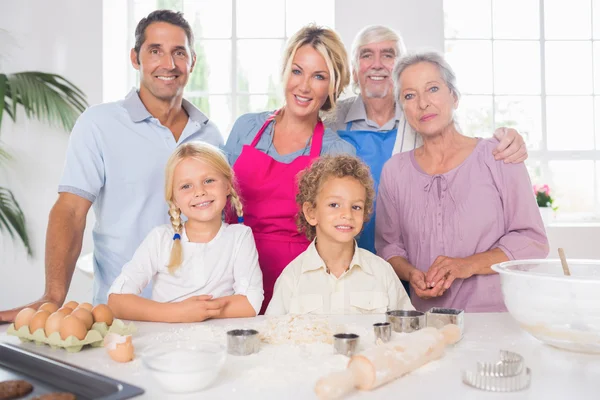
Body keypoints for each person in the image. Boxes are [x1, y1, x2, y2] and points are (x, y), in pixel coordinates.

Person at [0, 10, 223, 322]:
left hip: (196, 310)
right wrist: (53, 295)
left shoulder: (210, 135)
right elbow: (71, 211)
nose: (168, 64)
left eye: (179, 52)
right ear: (136, 58)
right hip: (122, 312)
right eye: (155, 51)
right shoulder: (99, 124)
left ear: (192, 61)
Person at [325, 25, 528, 255]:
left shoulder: (426, 117)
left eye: (388, 55)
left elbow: (462, 151)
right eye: (366, 55)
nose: (377, 64)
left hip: (414, 256)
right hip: (347, 248)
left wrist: (507, 138)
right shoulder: (332, 120)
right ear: (353, 70)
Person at [375, 51, 549, 313]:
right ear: (404, 109)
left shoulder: (499, 155)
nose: (423, 103)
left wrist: (465, 265)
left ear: (454, 97)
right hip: (427, 321)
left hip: (496, 317)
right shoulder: (394, 171)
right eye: (410, 95)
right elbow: (389, 247)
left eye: (432, 89)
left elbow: (532, 241)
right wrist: (411, 274)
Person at [224, 25, 356, 314]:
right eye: (297, 71)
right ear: (285, 72)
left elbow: (342, 234)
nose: (304, 86)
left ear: (332, 86)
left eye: (319, 76)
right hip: (234, 280)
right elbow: (217, 205)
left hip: (302, 287)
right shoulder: (246, 129)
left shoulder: (337, 153)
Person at [107, 142, 263, 322]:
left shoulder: (239, 236)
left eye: (208, 181)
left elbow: (251, 302)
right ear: (174, 198)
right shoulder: (160, 239)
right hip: (166, 345)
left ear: (227, 185)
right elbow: (117, 300)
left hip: (218, 345)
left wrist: (203, 311)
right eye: (186, 186)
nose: (200, 192)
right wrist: (180, 313)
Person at [266, 155, 412, 315]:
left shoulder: (382, 272)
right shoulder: (292, 278)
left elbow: (408, 330)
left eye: (356, 207)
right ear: (311, 212)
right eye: (334, 205)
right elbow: (274, 333)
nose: (347, 214)